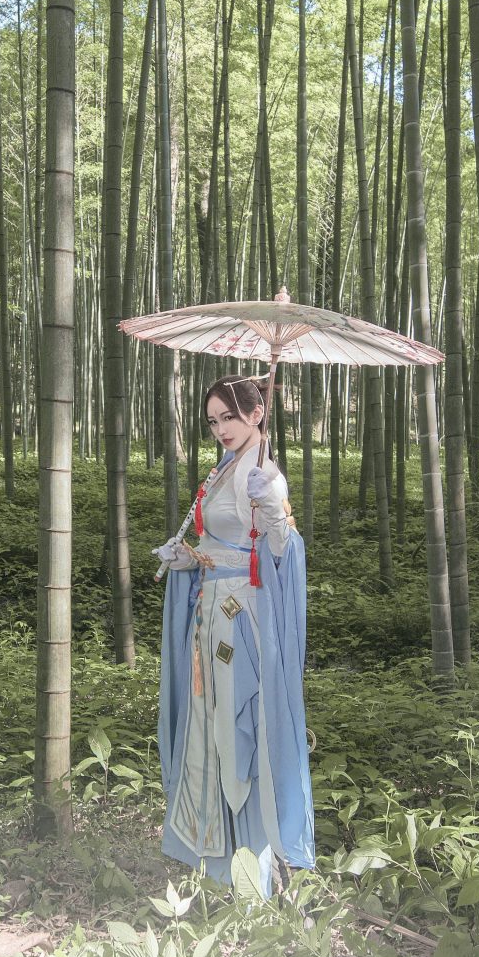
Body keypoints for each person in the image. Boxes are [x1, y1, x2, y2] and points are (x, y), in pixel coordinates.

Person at [150, 373, 315, 894]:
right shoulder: (224, 468)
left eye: (230, 417)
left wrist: (273, 513)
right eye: (213, 420)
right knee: (209, 730)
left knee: (240, 734)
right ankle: (222, 866)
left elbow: (282, 550)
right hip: (211, 614)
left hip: (240, 622)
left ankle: (255, 874)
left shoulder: (265, 476)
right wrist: (188, 558)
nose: (221, 428)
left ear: (256, 414)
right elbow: (218, 544)